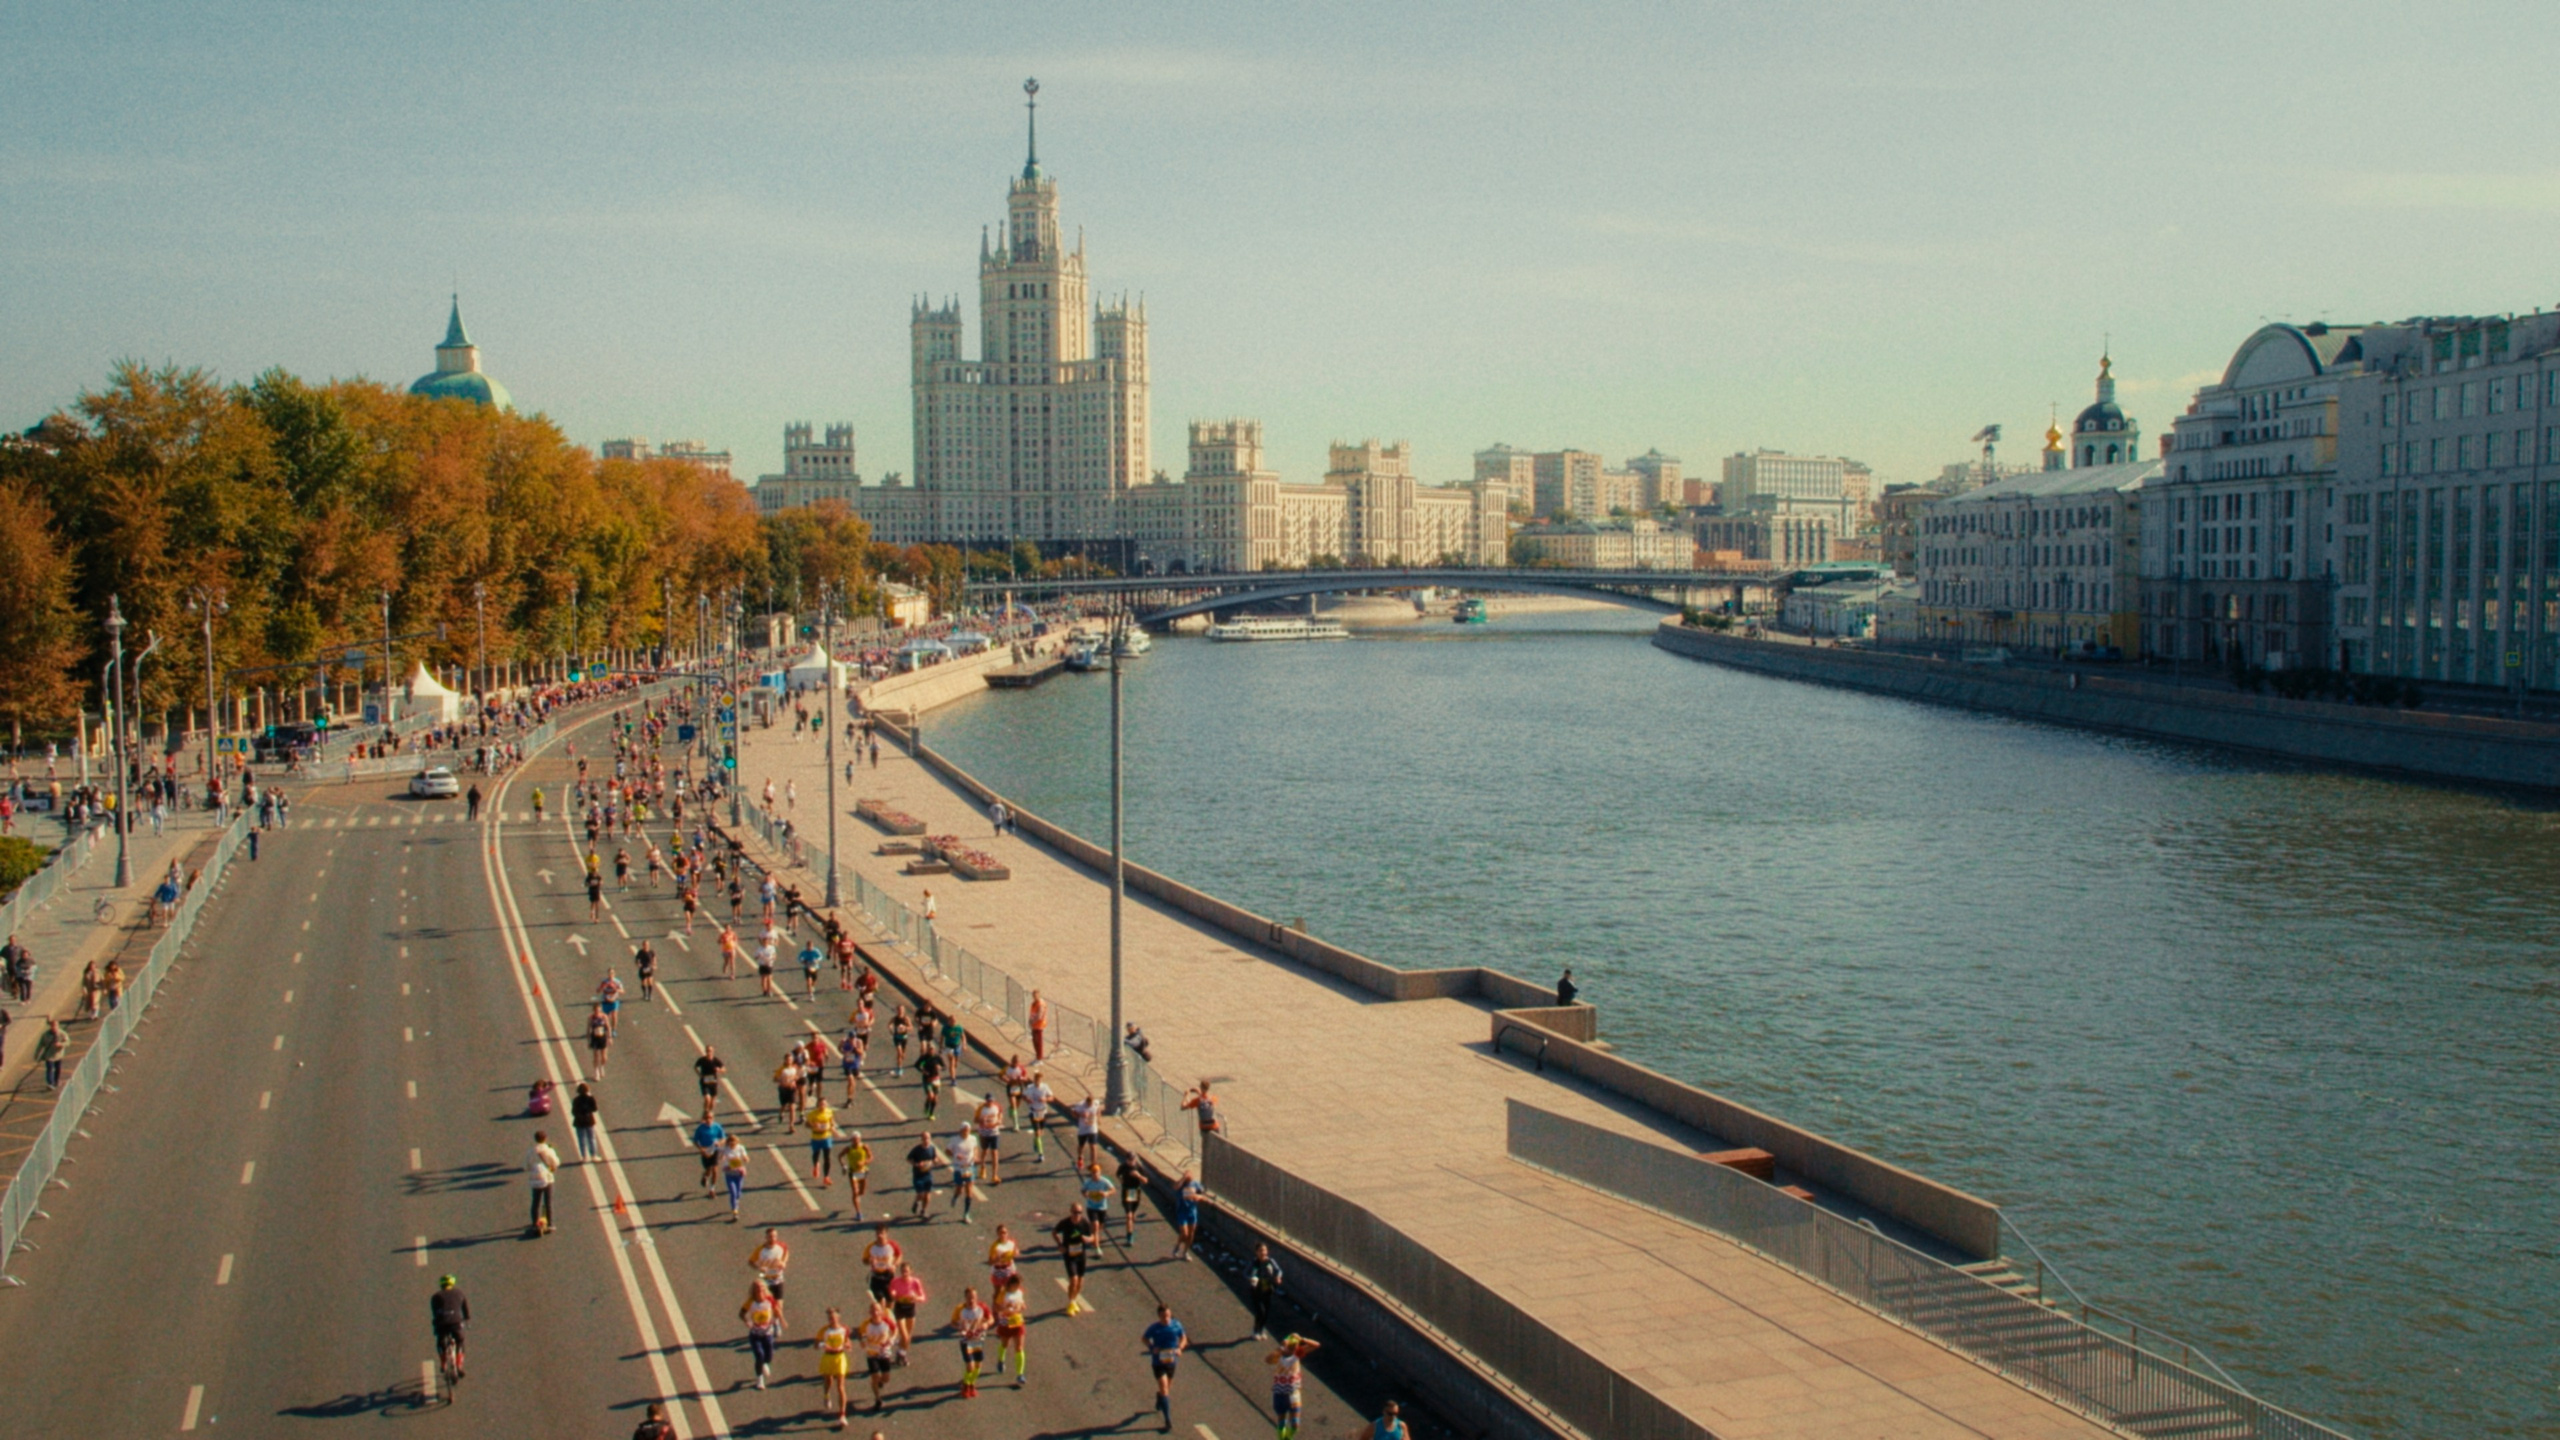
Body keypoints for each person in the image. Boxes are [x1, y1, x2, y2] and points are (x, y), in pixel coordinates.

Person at [1141, 1302, 1188, 1431]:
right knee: (1164, 1387)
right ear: (1159, 1317)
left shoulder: (1176, 1325)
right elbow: (1144, 1338)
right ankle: (1167, 1419)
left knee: (1166, 1389)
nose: (1166, 1318)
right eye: (1163, 1316)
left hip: (1171, 1362)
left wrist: (1180, 1348)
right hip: (1158, 1363)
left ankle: (1160, 1397)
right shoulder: (1155, 1328)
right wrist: (1152, 1348)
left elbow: (1183, 1338)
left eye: (1168, 1315)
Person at [1268, 1334, 1322, 1440]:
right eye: (1289, 1346)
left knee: (1295, 1425)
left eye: (1293, 1347)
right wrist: (1279, 1349)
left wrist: (1303, 1339)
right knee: (1282, 1421)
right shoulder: (1278, 1357)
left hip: (1294, 1394)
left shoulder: (1297, 1355)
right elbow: (1268, 1360)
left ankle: (1288, 1437)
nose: (1292, 1348)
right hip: (1280, 1394)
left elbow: (1316, 1345)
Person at [950, 1286, 994, 1399]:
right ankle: (966, 1385)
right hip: (966, 1341)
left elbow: (991, 1319)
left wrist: (986, 1324)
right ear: (965, 1298)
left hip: (978, 1341)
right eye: (969, 1297)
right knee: (970, 1366)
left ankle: (971, 1384)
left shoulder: (981, 1308)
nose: (971, 1300)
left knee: (978, 1365)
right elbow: (953, 1322)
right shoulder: (960, 1309)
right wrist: (960, 1328)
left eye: (974, 1297)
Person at [814, 1307, 854, 1429]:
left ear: (838, 1317)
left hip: (840, 1357)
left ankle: (842, 1414)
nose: (832, 1319)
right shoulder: (824, 1331)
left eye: (834, 1317)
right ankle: (826, 1395)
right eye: (829, 1317)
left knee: (841, 1386)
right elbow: (816, 1345)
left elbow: (848, 1343)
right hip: (828, 1357)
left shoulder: (844, 1329)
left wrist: (846, 1346)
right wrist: (824, 1345)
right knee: (828, 1380)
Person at [859, 1300, 900, 1411]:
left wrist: (891, 1339)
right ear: (869, 1312)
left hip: (884, 1353)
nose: (875, 1312)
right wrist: (863, 1342)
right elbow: (862, 1335)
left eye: (877, 1310)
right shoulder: (865, 1324)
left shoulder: (886, 1321)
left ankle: (881, 1382)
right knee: (875, 1376)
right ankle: (878, 1399)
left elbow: (895, 1329)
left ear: (881, 1312)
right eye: (873, 1310)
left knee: (886, 1378)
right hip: (872, 1353)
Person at [741, 1279, 781, 1390]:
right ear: (754, 1290)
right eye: (757, 1287)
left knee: (769, 1356)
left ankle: (765, 1363)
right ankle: (760, 1380)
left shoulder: (769, 1299)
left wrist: (777, 1321)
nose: (760, 1289)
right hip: (755, 1334)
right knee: (759, 1355)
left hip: (768, 1333)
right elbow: (741, 1313)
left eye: (762, 1287)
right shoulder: (751, 1302)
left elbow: (776, 1310)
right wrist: (747, 1321)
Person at [429, 1275, 471, 1380]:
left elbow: (434, 1312)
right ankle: (459, 1365)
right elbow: (465, 1310)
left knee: (440, 1342)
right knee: (460, 1341)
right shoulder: (459, 1293)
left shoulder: (435, 1296)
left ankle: (443, 1363)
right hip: (456, 1323)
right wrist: (466, 1319)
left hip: (442, 1323)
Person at [749, 1228, 792, 1325]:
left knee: (779, 1306)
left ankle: (776, 1322)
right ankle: (767, 1323)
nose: (773, 1238)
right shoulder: (760, 1250)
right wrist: (759, 1267)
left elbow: (786, 1252)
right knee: (770, 1305)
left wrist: (784, 1262)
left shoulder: (781, 1246)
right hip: (766, 1281)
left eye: (775, 1236)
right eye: (770, 1236)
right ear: (766, 1237)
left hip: (778, 1279)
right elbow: (751, 1262)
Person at [993, 1273, 1030, 1386]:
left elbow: (1022, 1304)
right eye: (1017, 1284)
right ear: (1011, 1284)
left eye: (1019, 1285)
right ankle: (1001, 1360)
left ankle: (1020, 1374)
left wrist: (1022, 1306)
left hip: (1018, 1321)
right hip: (1005, 1321)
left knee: (1019, 1347)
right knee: (1005, 1344)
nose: (1018, 1287)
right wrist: (1006, 1309)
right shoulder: (1003, 1294)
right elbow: (997, 1307)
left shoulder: (1020, 1292)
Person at [525, 1130, 561, 1236]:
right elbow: (556, 1162)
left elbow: (525, 1166)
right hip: (547, 1178)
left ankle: (535, 1224)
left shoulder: (531, 1152)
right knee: (547, 1202)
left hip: (535, 1179)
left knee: (535, 1202)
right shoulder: (548, 1150)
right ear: (545, 1138)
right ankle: (550, 1224)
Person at [887, 1259, 927, 1347]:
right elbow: (891, 1291)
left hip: (910, 1309)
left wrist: (916, 1298)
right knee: (905, 1336)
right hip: (900, 1308)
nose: (904, 1273)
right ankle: (901, 1351)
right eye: (903, 1271)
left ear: (911, 1272)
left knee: (908, 1336)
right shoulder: (895, 1281)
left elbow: (923, 1297)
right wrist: (893, 1294)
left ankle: (902, 1353)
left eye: (906, 1271)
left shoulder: (915, 1282)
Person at [1249, 1243, 1285, 1338]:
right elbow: (1245, 1272)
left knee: (1266, 1312)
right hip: (1256, 1290)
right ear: (1256, 1252)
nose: (1263, 1253)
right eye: (1260, 1250)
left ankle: (1261, 1329)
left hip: (1267, 1289)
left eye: (1264, 1250)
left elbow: (1279, 1270)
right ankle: (1255, 1330)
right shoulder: (1254, 1263)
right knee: (1260, 1311)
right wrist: (1251, 1278)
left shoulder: (1270, 1261)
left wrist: (1278, 1277)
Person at [862, 1223, 903, 1307]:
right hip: (876, 1277)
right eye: (878, 1233)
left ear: (886, 1234)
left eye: (882, 1233)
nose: (880, 1236)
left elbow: (899, 1255)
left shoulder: (892, 1245)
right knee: (881, 1301)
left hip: (888, 1276)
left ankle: (887, 1318)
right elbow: (864, 1260)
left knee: (890, 1302)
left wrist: (895, 1265)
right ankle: (883, 1316)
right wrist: (870, 1261)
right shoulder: (871, 1247)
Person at [691, 1103, 727, 1190]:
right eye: (706, 1118)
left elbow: (723, 1138)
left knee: (715, 1169)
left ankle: (712, 1188)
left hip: (715, 1149)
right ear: (703, 1119)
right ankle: (705, 1176)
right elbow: (695, 1141)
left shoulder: (717, 1127)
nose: (708, 1120)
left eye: (710, 1117)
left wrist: (719, 1143)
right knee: (708, 1170)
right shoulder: (700, 1129)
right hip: (706, 1151)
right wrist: (701, 1149)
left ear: (713, 1118)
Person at [806, 1093, 839, 1186]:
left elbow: (831, 1122)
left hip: (826, 1137)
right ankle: (816, 1164)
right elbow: (806, 1124)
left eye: (824, 1104)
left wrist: (833, 1130)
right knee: (816, 1154)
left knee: (827, 1157)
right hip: (816, 1137)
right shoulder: (812, 1114)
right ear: (817, 1105)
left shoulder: (829, 1112)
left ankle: (826, 1177)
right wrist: (812, 1125)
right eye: (821, 1104)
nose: (822, 1106)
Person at [906, 1131, 941, 1218]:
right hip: (918, 1175)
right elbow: (908, 1159)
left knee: (928, 1194)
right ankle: (917, 1202)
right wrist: (917, 1164)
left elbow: (935, 1158)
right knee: (921, 1194)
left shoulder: (932, 1149)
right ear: (921, 1139)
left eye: (928, 1138)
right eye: (925, 1138)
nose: (926, 1140)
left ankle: (923, 1211)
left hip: (928, 1175)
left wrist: (935, 1161)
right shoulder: (917, 1150)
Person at [1019, 1070, 1053, 1161]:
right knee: (1038, 1132)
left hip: (1043, 1112)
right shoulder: (1030, 1088)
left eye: (1039, 1080)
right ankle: (1041, 1154)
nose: (1037, 1082)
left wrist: (1045, 1099)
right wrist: (1027, 1100)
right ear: (1034, 1080)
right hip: (1034, 1112)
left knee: (1041, 1133)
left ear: (1041, 1080)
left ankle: (1035, 1141)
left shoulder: (1045, 1087)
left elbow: (1051, 1097)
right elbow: (1023, 1096)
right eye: (1036, 1080)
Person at [1170, 1171, 1203, 1260]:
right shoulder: (1181, 1184)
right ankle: (1177, 1246)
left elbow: (1202, 1195)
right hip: (1182, 1211)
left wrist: (1197, 1197)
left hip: (1192, 1211)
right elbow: (1175, 1187)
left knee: (1191, 1234)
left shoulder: (1196, 1184)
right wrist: (1183, 1178)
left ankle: (1185, 1252)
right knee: (1185, 1233)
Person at [719, 1132, 752, 1221]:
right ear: (728, 1142)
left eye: (734, 1142)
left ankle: (736, 1203)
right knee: (733, 1193)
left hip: (739, 1173)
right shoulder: (725, 1149)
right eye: (731, 1142)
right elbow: (721, 1157)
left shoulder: (741, 1148)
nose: (732, 1143)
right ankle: (735, 1211)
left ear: (737, 1142)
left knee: (738, 1193)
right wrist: (723, 1157)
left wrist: (746, 1159)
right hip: (729, 1173)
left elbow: (746, 1157)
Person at [974, 1092, 1005, 1184]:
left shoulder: (997, 1106)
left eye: (992, 1100)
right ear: (986, 1100)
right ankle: (982, 1167)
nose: (990, 1102)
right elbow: (975, 1120)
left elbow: (1000, 1114)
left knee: (995, 1153)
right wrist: (981, 1120)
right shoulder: (981, 1108)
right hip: (984, 1133)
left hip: (994, 1132)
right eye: (988, 1101)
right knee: (984, 1151)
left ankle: (994, 1175)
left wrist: (999, 1120)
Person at [842, 1129, 873, 1221]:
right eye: (854, 1139)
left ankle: (856, 1199)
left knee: (862, 1192)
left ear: (860, 1139)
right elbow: (840, 1156)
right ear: (851, 1140)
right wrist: (843, 1166)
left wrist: (864, 1162)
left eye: (857, 1139)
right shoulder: (848, 1148)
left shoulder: (864, 1147)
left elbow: (871, 1157)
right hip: (853, 1172)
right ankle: (858, 1213)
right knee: (855, 1192)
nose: (855, 1141)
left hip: (863, 1172)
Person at [1117, 1154, 1149, 1242]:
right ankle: (1129, 1235)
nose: (1131, 1162)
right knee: (1129, 1215)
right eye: (1130, 1160)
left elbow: (1146, 1181)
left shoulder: (1139, 1167)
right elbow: (1118, 1174)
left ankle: (1131, 1229)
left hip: (1135, 1191)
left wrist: (1138, 1176)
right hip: (1126, 1191)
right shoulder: (1123, 1167)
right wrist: (1121, 1180)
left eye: (1133, 1160)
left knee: (1133, 1215)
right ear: (1127, 1160)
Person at [570, 1081, 601, 1163]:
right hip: (589, 1120)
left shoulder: (576, 1100)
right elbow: (595, 1109)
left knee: (581, 1139)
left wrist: (579, 1114)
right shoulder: (591, 1098)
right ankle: (594, 1155)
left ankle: (584, 1157)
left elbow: (573, 1112)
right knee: (591, 1138)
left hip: (579, 1121)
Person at [585, 1008, 613, 1080]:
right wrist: (588, 1041)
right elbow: (588, 1029)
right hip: (595, 1038)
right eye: (596, 1011)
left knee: (604, 1057)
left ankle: (602, 1066)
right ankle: (596, 1072)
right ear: (594, 1011)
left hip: (602, 1038)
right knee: (596, 1056)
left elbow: (608, 1027)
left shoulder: (604, 1016)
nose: (597, 1012)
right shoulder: (591, 1017)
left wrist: (609, 1037)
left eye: (599, 1011)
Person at [1027, 989, 1050, 1062]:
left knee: (1038, 1041)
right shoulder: (1034, 1003)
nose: (1034, 997)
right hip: (1034, 1025)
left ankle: (1040, 1058)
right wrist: (1030, 1021)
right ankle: (1037, 1056)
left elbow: (1039, 1016)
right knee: (1034, 1041)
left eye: (1035, 995)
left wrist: (1032, 1022)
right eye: (1033, 996)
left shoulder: (1040, 1004)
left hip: (1039, 1024)